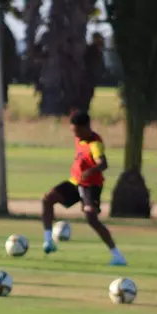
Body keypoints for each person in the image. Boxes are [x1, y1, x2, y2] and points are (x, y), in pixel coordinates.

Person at [41, 111, 126, 266]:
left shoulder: (95, 144)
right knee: (48, 199)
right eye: (74, 132)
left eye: (78, 131)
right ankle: (48, 241)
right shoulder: (79, 139)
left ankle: (117, 256)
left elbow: (103, 164)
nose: (76, 135)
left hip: (91, 186)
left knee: (91, 219)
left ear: (87, 127)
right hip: (75, 182)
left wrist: (90, 171)